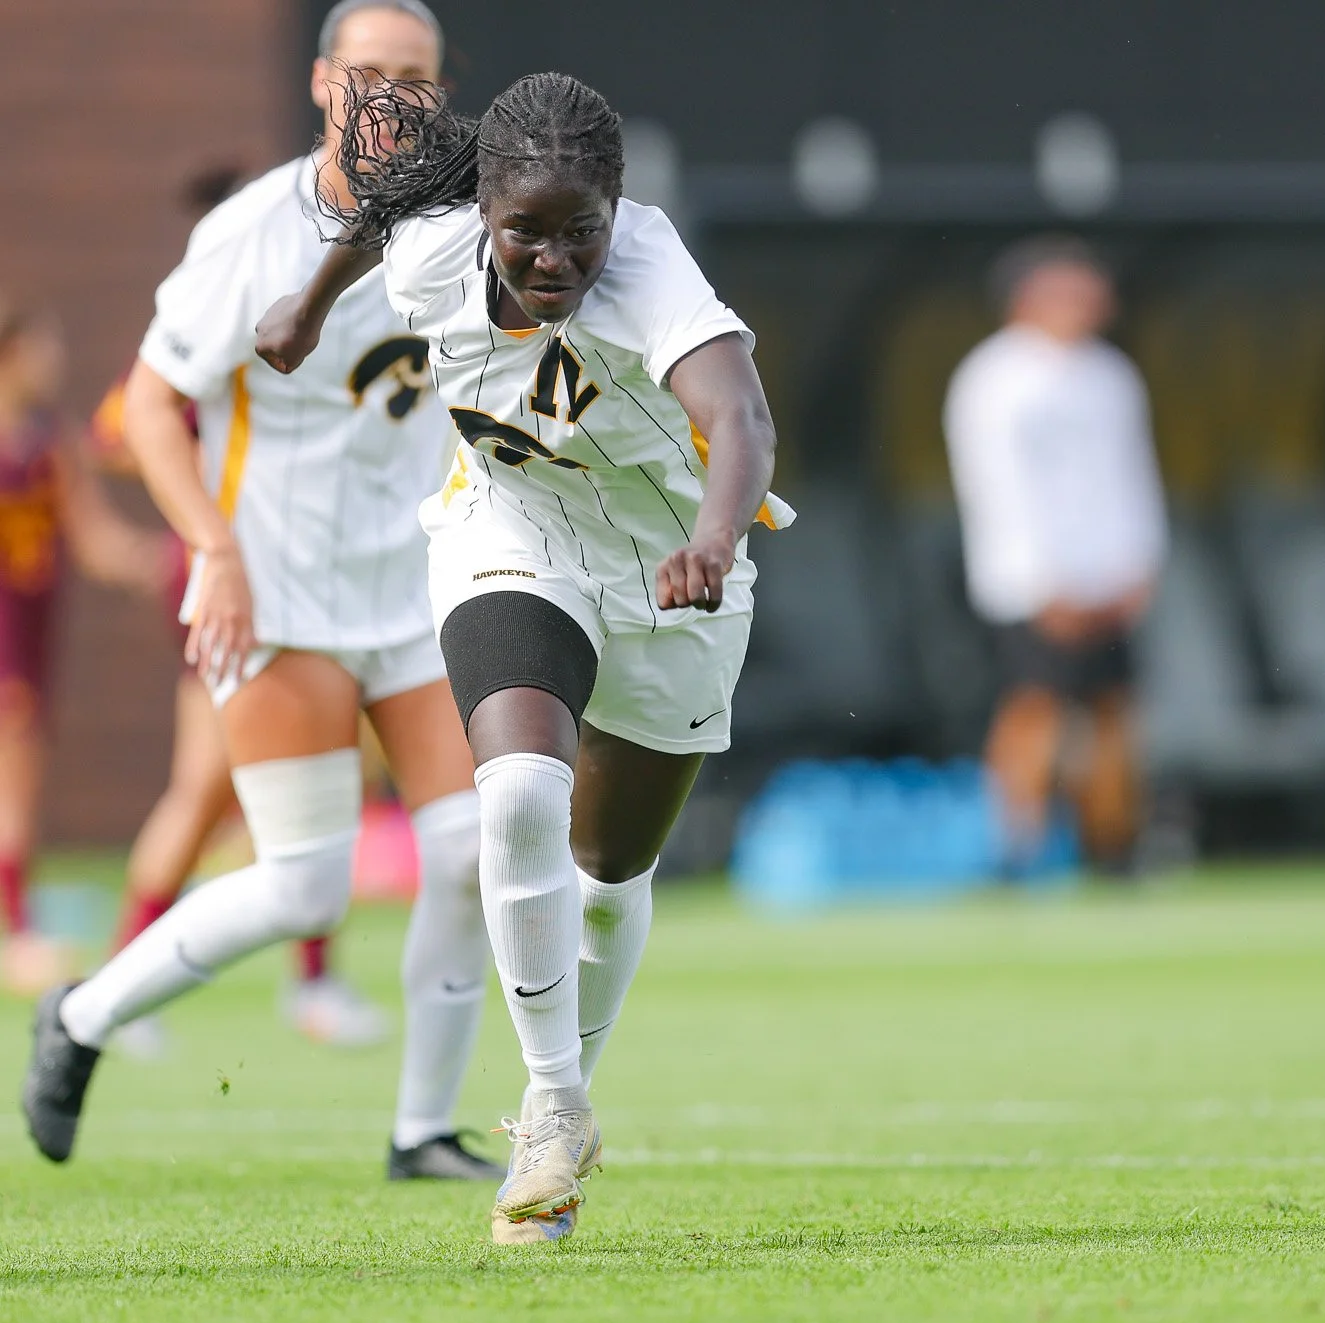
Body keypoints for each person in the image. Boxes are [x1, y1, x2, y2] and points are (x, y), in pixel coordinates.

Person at [247, 70, 787, 1242]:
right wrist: (304, 305)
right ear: (483, 211)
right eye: (524, 233)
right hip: (511, 536)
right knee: (519, 794)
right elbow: (384, 215)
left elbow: (741, 418)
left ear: (618, 210)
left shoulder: (651, 272)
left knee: (608, 881)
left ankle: (562, 1099)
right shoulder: (435, 245)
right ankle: (552, 1109)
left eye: (578, 233)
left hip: (669, 577)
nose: (552, 260)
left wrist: (711, 535)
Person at [21, 0, 500, 1182]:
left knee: (470, 848)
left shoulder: (466, 223)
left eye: (418, 77)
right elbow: (140, 406)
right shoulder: (252, 232)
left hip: (413, 585)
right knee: (301, 885)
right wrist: (213, 550)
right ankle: (81, 1018)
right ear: (324, 83)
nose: (395, 95)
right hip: (277, 590)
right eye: (371, 72)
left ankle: (420, 1128)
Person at [91, 360, 389, 1054]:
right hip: (235, 577)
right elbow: (118, 431)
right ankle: (120, 981)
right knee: (203, 787)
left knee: (339, 775)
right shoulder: (224, 305)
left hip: (323, 572)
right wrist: (222, 487)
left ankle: (313, 980)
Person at [943, 238, 1167, 871]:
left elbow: (1134, 476)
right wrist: (1042, 579)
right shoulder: (994, 378)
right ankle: (1017, 848)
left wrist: (1138, 564)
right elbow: (996, 486)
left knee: (1114, 713)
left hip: (1112, 576)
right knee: (1034, 707)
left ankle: (1116, 846)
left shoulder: (1111, 376)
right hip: (1032, 583)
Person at [0, 305, 171, 998]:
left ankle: (18, 924)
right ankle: (17, 931)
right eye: (42, 348)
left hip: (34, 632)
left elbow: (95, 538)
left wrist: (162, 560)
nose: (54, 362)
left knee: (23, 776)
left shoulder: (51, 441)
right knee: (13, 777)